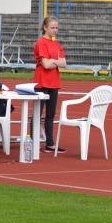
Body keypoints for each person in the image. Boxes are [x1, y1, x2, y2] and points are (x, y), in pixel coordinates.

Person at [34, 16, 67, 153]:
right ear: (45, 28)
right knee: (37, 113)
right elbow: (45, 65)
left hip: (54, 83)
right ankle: (34, 142)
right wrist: (56, 62)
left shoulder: (57, 44)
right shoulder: (41, 42)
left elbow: (64, 64)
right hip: (42, 82)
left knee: (50, 115)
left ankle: (49, 143)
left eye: (56, 28)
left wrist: (52, 61)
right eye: (52, 27)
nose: (55, 30)